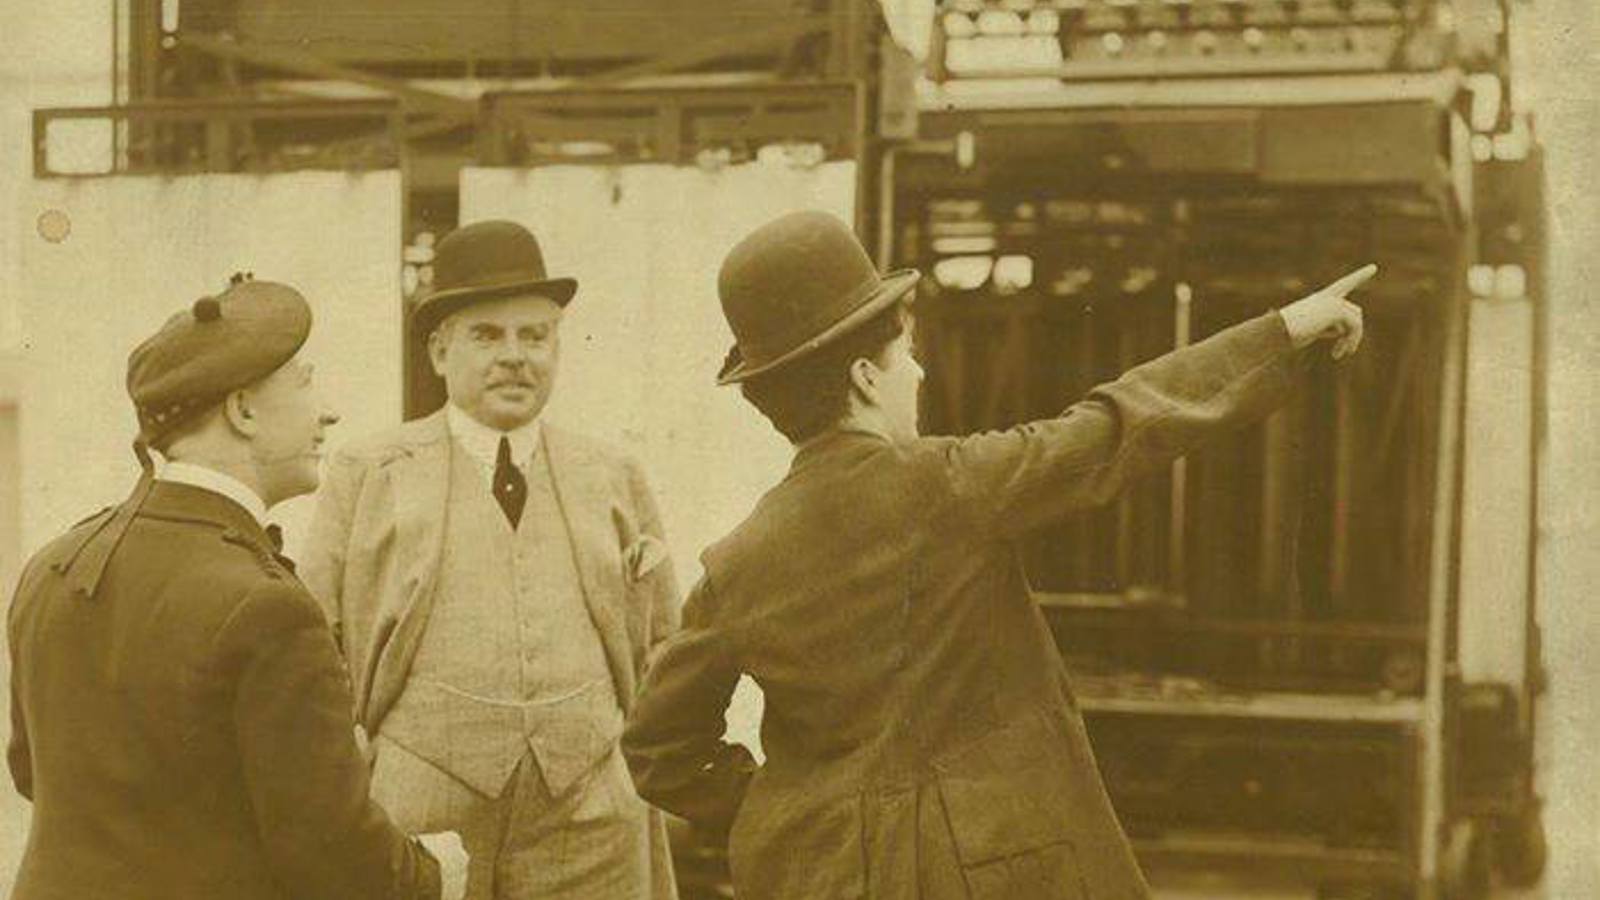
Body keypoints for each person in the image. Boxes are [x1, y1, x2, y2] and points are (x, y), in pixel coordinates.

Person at [622, 211, 1376, 899]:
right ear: (864, 377)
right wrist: (1283, 331)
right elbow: (1118, 426)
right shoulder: (949, 486)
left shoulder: (737, 563)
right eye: (906, 356)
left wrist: (778, 807)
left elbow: (658, 746)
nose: (918, 374)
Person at [6, 275, 468, 900]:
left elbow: (35, 773)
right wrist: (435, 872)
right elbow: (335, 861)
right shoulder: (268, 604)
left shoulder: (53, 565)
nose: (328, 410)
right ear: (242, 410)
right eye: (305, 383)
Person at [303, 221, 680, 900]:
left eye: (534, 336)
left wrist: (626, 764)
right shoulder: (368, 472)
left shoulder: (613, 472)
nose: (515, 357)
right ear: (440, 352)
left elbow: (664, 643)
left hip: (589, 817)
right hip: (423, 809)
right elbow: (313, 643)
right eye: (487, 335)